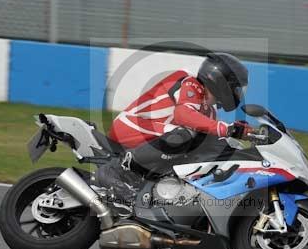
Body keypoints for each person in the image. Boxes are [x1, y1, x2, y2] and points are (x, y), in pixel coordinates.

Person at [96, 52, 252, 199]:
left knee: (214, 144)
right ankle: (117, 169)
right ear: (221, 82)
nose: (238, 93)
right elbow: (183, 114)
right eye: (236, 88)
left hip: (152, 138)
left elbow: (213, 139)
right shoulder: (189, 82)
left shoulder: (209, 112)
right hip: (129, 127)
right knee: (185, 135)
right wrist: (225, 128)